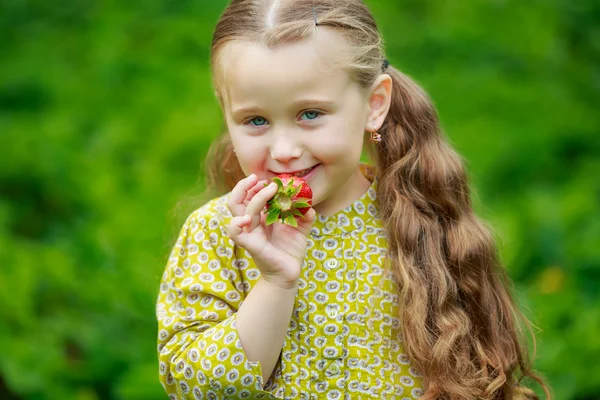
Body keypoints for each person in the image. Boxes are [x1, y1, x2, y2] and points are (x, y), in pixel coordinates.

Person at [156, 1, 551, 399]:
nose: (284, 148)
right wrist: (276, 283)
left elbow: (476, 374)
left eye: (310, 113)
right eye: (255, 120)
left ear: (374, 104)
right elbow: (199, 387)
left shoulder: (417, 216)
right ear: (226, 115)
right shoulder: (220, 232)